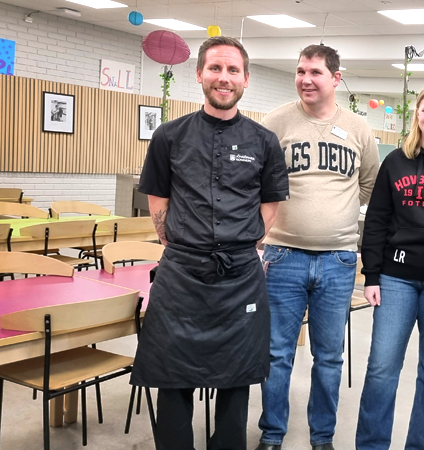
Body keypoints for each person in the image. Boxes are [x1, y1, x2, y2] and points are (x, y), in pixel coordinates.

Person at [131, 36, 289, 450]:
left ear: (246, 79)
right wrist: (183, 245)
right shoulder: (169, 136)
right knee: (172, 376)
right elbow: (158, 201)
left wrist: (243, 242)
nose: (224, 78)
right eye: (216, 68)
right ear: (199, 74)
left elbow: (270, 204)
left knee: (236, 379)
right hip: (181, 274)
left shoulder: (264, 141)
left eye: (233, 70)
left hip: (240, 276)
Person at [256, 44, 379, 450]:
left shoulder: (359, 128)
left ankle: (322, 438)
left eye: (315, 73)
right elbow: (256, 182)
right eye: (300, 71)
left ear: (335, 79)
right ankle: (272, 435)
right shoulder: (276, 122)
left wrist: (334, 213)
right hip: (282, 257)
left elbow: (369, 185)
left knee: (329, 359)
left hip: (339, 261)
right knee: (277, 355)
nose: (306, 79)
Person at [355, 83, 424, 450]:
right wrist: (371, 275)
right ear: (416, 115)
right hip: (395, 278)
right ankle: (371, 445)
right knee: (382, 369)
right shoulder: (395, 161)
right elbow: (377, 220)